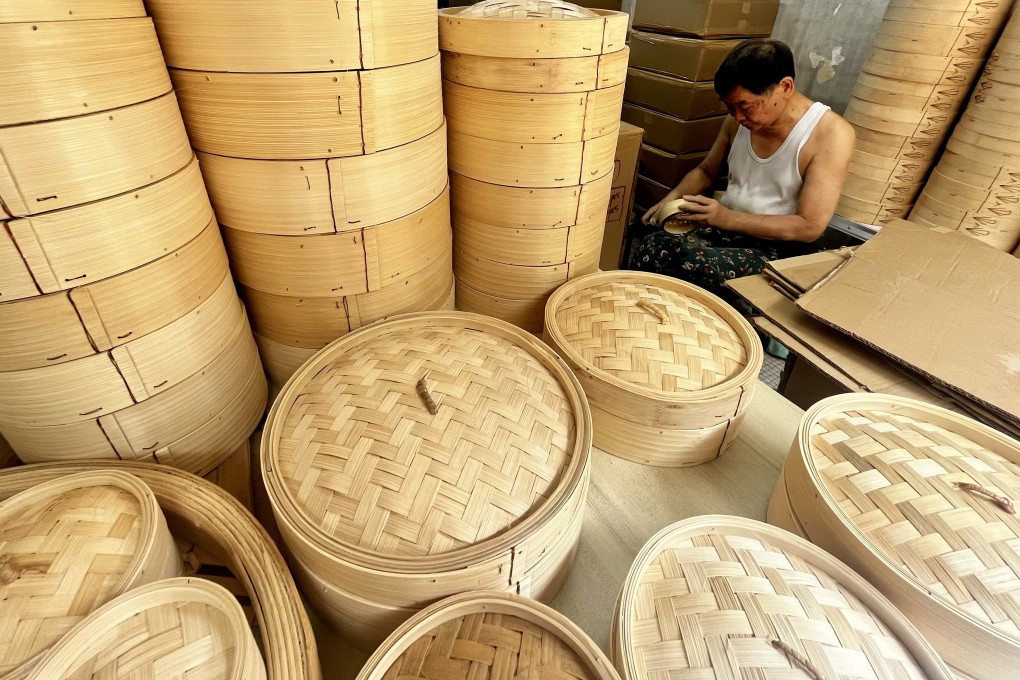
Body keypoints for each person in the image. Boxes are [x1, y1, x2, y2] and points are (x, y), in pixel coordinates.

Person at [630, 39, 855, 309]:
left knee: (689, 261)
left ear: (784, 87)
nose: (737, 117)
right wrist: (671, 201)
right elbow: (706, 170)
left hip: (778, 247)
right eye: (729, 108)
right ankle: (642, 320)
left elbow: (809, 226)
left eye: (745, 106)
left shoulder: (830, 134)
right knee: (653, 240)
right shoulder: (739, 121)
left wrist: (725, 217)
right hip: (725, 227)